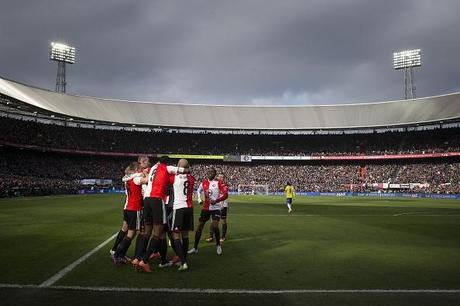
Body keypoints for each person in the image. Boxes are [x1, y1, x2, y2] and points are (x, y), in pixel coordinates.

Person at [136, 156, 189, 273]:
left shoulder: (153, 167)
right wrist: (184, 168)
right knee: (158, 232)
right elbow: (185, 170)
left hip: (147, 200)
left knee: (147, 232)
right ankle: (144, 261)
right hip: (157, 200)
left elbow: (142, 177)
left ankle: (138, 258)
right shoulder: (167, 168)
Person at [188, 168, 228, 255]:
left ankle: (218, 245)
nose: (209, 173)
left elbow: (225, 195)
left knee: (215, 226)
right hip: (205, 208)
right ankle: (195, 247)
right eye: (208, 172)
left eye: (212, 172)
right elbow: (198, 191)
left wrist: (217, 201)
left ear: (215, 174)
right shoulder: (204, 182)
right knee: (199, 227)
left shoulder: (219, 183)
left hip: (215, 208)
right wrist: (199, 199)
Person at [111, 162, 144, 265]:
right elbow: (145, 179)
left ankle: (120, 254)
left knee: (130, 232)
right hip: (135, 208)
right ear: (135, 169)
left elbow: (125, 178)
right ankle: (117, 255)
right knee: (131, 234)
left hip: (129, 207)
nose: (140, 170)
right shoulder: (136, 179)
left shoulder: (128, 179)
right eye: (139, 168)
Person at [169, 159, 195, 271]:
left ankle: (183, 262)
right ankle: (184, 260)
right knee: (185, 235)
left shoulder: (174, 178)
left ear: (179, 167)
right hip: (189, 208)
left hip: (179, 208)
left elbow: (168, 173)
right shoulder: (192, 178)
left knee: (175, 235)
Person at [206, 173, 229, 243]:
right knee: (213, 221)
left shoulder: (225, 185)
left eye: (222, 177)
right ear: (217, 177)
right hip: (215, 205)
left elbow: (224, 195)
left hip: (223, 206)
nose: (221, 178)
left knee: (223, 221)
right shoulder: (215, 184)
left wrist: (221, 204)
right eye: (220, 177)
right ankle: (211, 237)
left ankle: (223, 237)